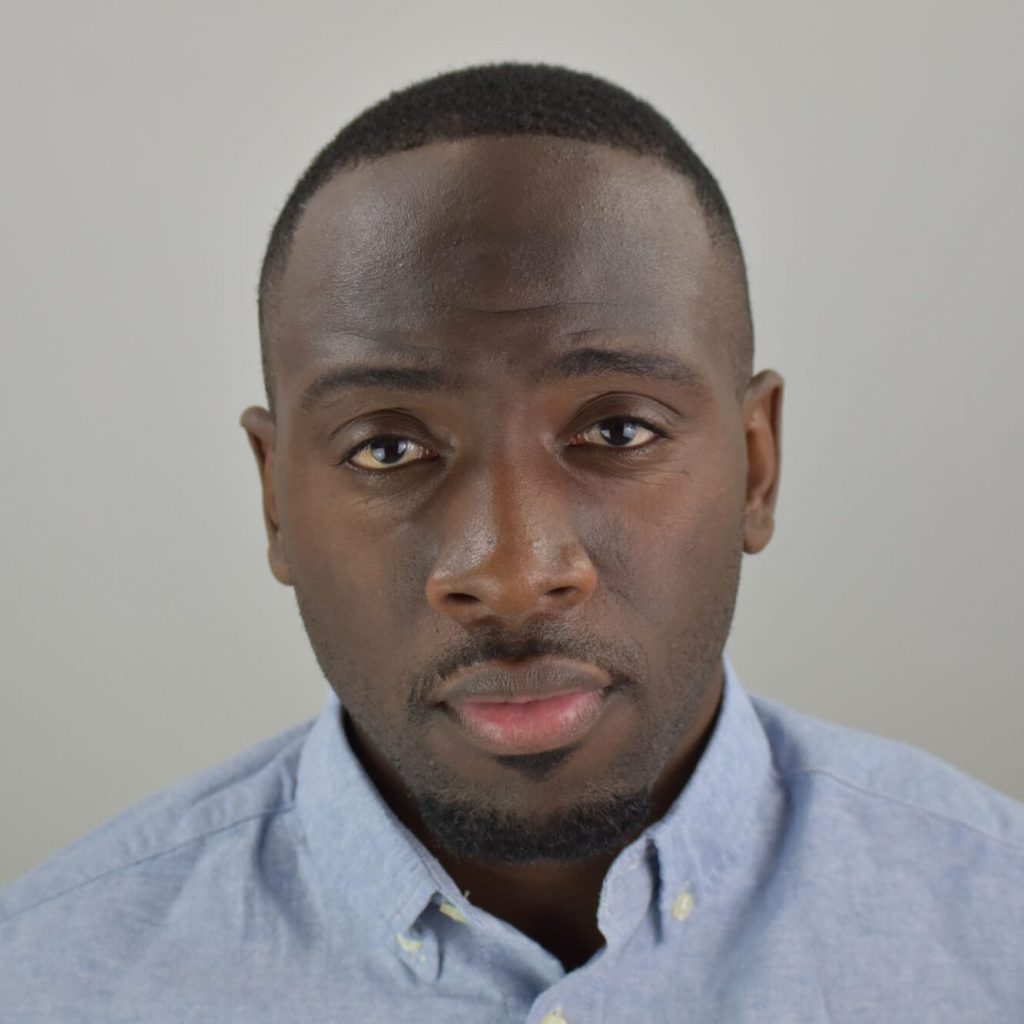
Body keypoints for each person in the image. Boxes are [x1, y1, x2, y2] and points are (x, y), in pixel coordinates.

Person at [2, 62, 1021, 1023]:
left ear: (756, 465)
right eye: (388, 445)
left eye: (617, 431)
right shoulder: (46, 980)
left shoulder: (995, 932)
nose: (512, 571)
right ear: (275, 498)